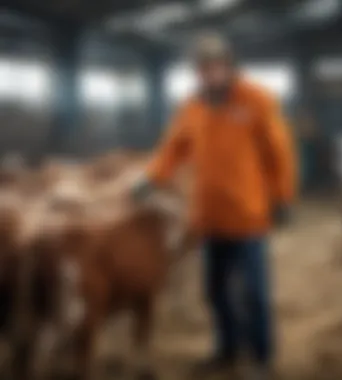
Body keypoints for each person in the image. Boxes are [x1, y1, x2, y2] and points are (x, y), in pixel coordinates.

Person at [130, 32, 297, 379]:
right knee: (215, 291)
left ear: (229, 66)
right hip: (209, 217)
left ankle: (261, 359)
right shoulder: (191, 106)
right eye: (201, 69)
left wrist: (283, 196)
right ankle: (227, 349)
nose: (208, 75)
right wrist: (151, 178)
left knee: (253, 292)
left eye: (215, 67)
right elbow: (173, 148)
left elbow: (279, 152)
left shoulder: (257, 100)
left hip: (249, 217)